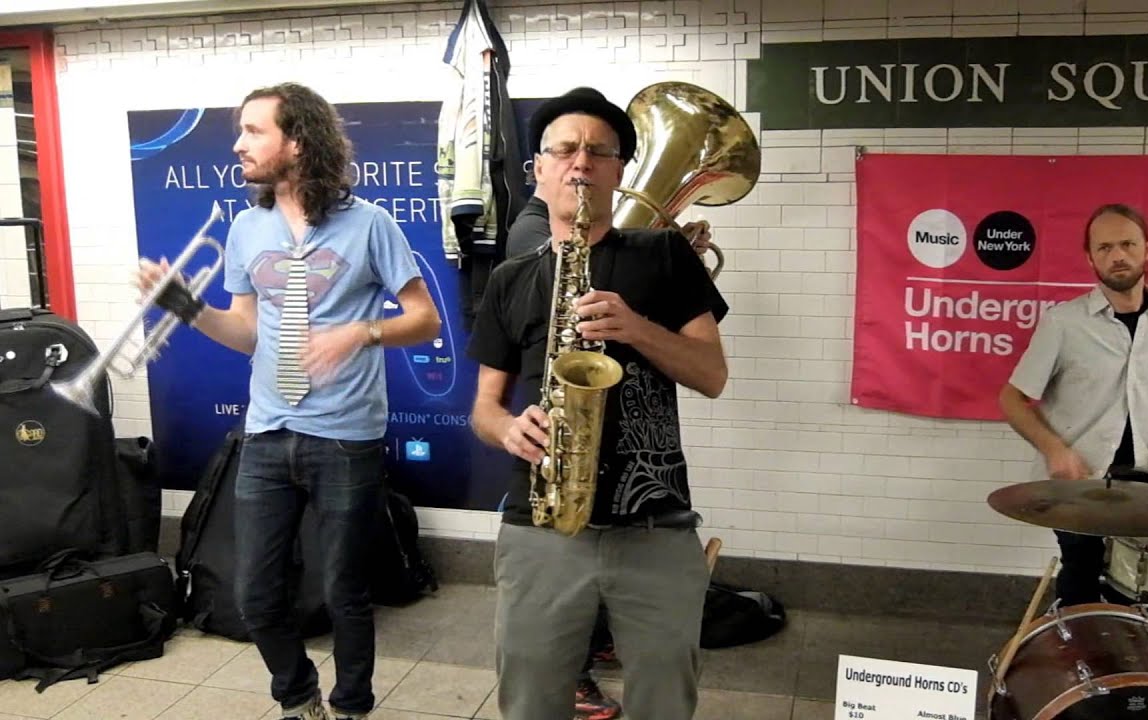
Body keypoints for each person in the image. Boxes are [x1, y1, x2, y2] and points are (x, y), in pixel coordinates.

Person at [137, 82, 441, 720]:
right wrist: (185, 307)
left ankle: (353, 706)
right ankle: (299, 696)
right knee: (256, 597)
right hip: (267, 433)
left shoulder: (370, 224)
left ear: (297, 141)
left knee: (345, 593)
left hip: (345, 437)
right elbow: (246, 332)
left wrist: (361, 331)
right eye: (240, 130)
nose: (238, 143)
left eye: (254, 130)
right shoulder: (249, 228)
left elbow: (425, 319)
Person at [468, 86, 729, 720]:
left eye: (597, 151)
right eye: (563, 149)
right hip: (542, 526)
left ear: (618, 170)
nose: (579, 162)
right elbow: (483, 408)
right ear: (538, 169)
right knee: (530, 701)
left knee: (665, 701)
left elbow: (712, 375)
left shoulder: (664, 254)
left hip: (655, 525)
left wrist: (636, 328)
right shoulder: (509, 279)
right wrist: (507, 430)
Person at [998, 202, 1148, 608]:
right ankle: (1077, 658)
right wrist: (1055, 449)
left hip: (1145, 479)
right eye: (1105, 247)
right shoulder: (1063, 323)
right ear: (1089, 257)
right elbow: (1012, 399)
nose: (1117, 255)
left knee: (1139, 582)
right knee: (1082, 572)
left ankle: (1127, 661)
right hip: (1080, 483)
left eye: (1127, 244)